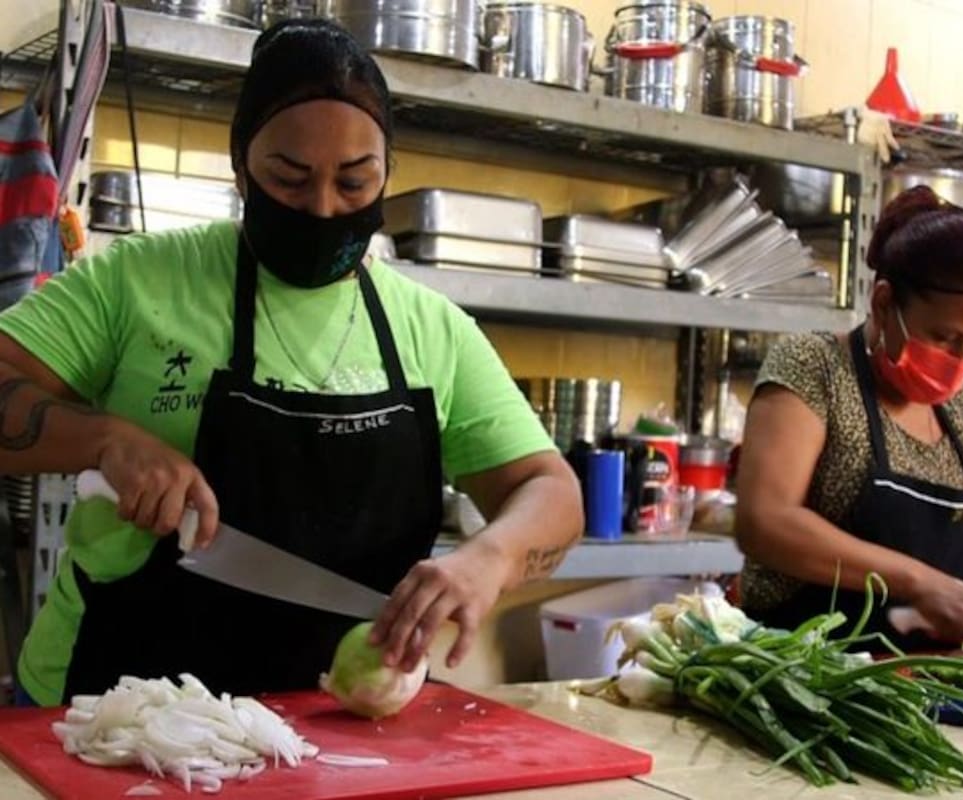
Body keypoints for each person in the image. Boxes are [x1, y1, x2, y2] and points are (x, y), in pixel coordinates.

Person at [0, 19, 582, 706]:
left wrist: (492, 557)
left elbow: (551, 490)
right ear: (240, 160)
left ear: (388, 172)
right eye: (290, 177)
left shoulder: (432, 330)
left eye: (356, 182)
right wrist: (106, 439)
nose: (323, 207)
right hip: (115, 710)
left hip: (334, 722)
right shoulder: (143, 281)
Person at [735, 186, 963, 651]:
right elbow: (763, 522)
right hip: (808, 679)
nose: (961, 359)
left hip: (930, 691)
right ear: (885, 302)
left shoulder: (959, 409)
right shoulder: (815, 367)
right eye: (945, 337)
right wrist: (918, 581)